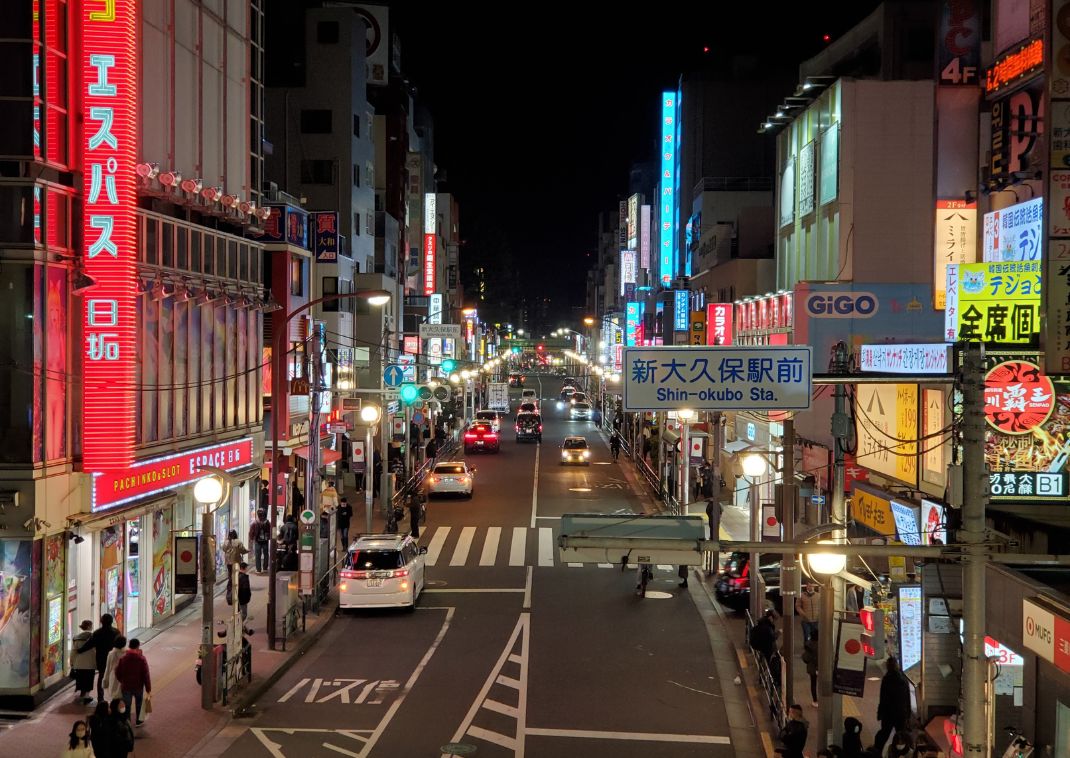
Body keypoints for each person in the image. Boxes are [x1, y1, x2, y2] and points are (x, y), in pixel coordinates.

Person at [873, 656, 912, 754]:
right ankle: (904, 753)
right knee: (902, 735)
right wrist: (908, 714)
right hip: (901, 713)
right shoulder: (903, 679)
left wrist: (880, 713)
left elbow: (883, 698)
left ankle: (877, 752)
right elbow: (907, 698)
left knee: (884, 734)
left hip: (888, 713)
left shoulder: (887, 679)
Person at [79, 614, 120, 704]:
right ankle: (115, 698)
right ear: (111, 621)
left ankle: (100, 699)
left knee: (101, 677)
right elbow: (120, 645)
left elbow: (90, 644)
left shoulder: (97, 633)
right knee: (115, 678)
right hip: (114, 659)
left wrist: (80, 650)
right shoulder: (116, 632)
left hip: (101, 659)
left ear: (101, 621)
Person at [114, 638, 151, 727]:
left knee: (127, 705)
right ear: (138, 646)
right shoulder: (141, 659)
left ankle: (127, 722)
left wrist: (122, 681)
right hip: (138, 686)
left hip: (126, 686)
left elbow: (118, 672)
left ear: (129, 646)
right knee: (139, 704)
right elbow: (146, 674)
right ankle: (139, 721)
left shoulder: (123, 659)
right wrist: (148, 688)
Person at [70, 620, 97, 704]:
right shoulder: (93, 637)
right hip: (90, 662)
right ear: (89, 626)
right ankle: (87, 696)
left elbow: (73, 651)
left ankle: (82, 694)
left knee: (80, 679)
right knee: (89, 679)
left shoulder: (76, 637)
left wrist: (72, 662)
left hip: (79, 662)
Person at [102, 635, 127, 703]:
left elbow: (108, 668)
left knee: (114, 697)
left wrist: (105, 681)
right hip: (124, 677)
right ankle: (123, 711)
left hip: (113, 676)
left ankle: (114, 710)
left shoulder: (111, 653)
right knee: (124, 698)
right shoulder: (127, 653)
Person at [249, 509, 271, 573]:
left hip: (257, 541)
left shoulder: (255, 523)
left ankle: (258, 569)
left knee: (258, 555)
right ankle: (265, 568)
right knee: (266, 554)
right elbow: (270, 531)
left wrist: (251, 539)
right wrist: (268, 537)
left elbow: (251, 532)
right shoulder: (267, 522)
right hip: (265, 541)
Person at [802, 628, 820, 708]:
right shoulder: (823, 644)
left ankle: (815, 700)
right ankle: (823, 699)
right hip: (822, 667)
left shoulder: (808, 645)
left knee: (813, 684)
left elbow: (805, 658)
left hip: (812, 668)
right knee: (823, 683)